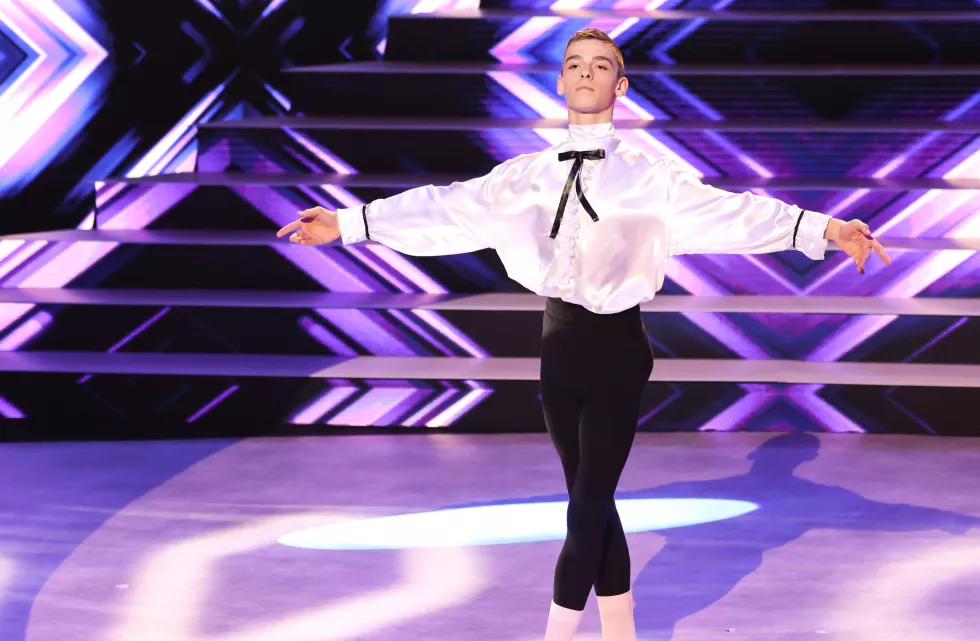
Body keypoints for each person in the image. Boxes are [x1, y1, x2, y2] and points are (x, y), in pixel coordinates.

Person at [276, 27, 890, 641]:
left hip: (618, 349)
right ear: (561, 81)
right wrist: (348, 223)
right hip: (558, 346)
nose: (586, 72)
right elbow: (442, 208)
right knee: (590, 500)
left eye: (600, 64)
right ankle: (620, 633)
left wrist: (827, 229)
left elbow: (738, 212)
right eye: (575, 64)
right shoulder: (521, 178)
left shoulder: (654, 178)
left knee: (587, 505)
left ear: (620, 86)